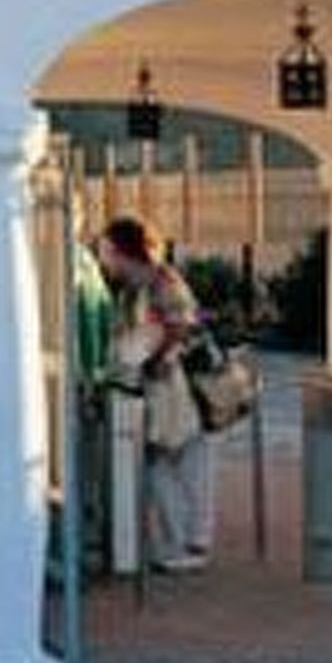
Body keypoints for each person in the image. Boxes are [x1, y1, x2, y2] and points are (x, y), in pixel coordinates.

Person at [97, 213, 216, 573]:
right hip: (162, 388)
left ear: (124, 251)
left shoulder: (162, 283)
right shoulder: (137, 288)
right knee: (165, 464)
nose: (104, 257)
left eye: (107, 250)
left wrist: (157, 356)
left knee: (182, 464)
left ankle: (191, 543)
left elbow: (182, 327)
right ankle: (181, 540)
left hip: (179, 389)